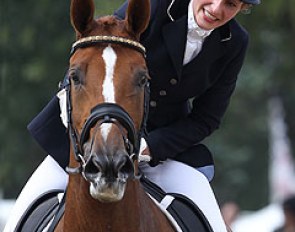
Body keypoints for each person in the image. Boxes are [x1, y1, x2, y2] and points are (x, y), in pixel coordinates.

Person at [4, 0, 261, 231]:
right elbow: (95, 50)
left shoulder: (236, 42)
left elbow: (207, 118)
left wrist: (151, 146)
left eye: (230, 4)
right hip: (85, 142)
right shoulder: (156, 6)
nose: (216, 9)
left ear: (242, 8)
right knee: (18, 219)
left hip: (162, 152)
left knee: (212, 222)